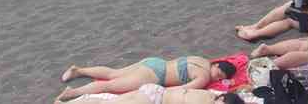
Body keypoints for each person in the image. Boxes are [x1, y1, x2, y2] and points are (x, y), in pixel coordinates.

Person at [57, 57, 237, 102]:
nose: (216, 78)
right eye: (219, 74)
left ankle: (78, 70)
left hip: (155, 62)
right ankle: (74, 93)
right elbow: (181, 90)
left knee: (113, 73)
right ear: (216, 67)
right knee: (109, 86)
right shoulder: (204, 76)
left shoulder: (202, 60)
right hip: (155, 76)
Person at [60, 88, 242, 104]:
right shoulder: (206, 100)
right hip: (154, 99)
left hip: (154, 92)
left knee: (110, 101)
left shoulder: (207, 94)